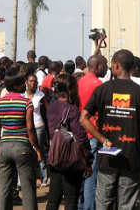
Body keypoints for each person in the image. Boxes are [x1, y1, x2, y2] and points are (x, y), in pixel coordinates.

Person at [80, 49, 140, 210]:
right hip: (132, 156)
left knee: (103, 203)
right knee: (126, 204)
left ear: (116, 65)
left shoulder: (102, 90)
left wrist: (103, 140)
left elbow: (83, 118)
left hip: (108, 156)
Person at [0, 68, 43, 210]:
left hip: (4, 146)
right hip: (22, 147)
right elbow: (30, 128)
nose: (25, 86)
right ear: (16, 85)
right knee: (28, 189)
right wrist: (37, 148)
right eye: (22, 83)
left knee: (3, 189)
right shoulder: (26, 103)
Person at [46, 74, 93, 210]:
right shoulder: (71, 110)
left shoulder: (52, 108)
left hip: (54, 156)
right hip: (71, 161)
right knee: (71, 201)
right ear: (69, 89)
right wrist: (88, 160)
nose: (77, 90)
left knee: (53, 199)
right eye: (75, 87)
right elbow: (80, 136)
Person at [77, 55, 107, 210]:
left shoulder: (81, 81)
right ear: (97, 67)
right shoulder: (98, 84)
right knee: (92, 176)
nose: (107, 68)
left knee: (83, 174)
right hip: (93, 132)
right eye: (105, 65)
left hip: (81, 133)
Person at [23, 73, 49, 188]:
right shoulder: (22, 95)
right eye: (31, 81)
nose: (33, 83)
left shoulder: (40, 95)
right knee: (26, 154)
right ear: (26, 82)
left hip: (38, 126)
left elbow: (48, 110)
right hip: (24, 127)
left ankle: (43, 178)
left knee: (39, 153)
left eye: (35, 81)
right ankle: (26, 180)